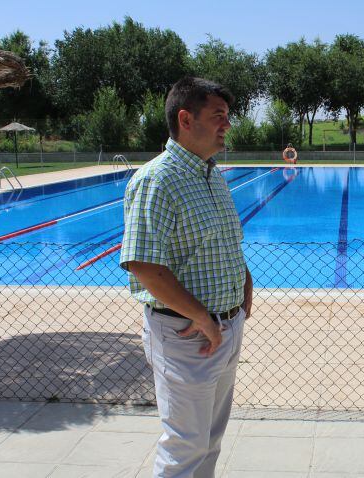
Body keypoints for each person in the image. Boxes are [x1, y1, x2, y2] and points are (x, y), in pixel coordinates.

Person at [120, 76, 252, 478]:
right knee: (185, 446)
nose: (226, 125)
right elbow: (143, 265)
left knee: (209, 439)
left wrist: (244, 288)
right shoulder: (157, 179)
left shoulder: (212, 176)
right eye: (218, 116)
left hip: (224, 326)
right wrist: (201, 318)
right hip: (187, 334)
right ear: (185, 119)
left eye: (227, 116)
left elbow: (227, 241)